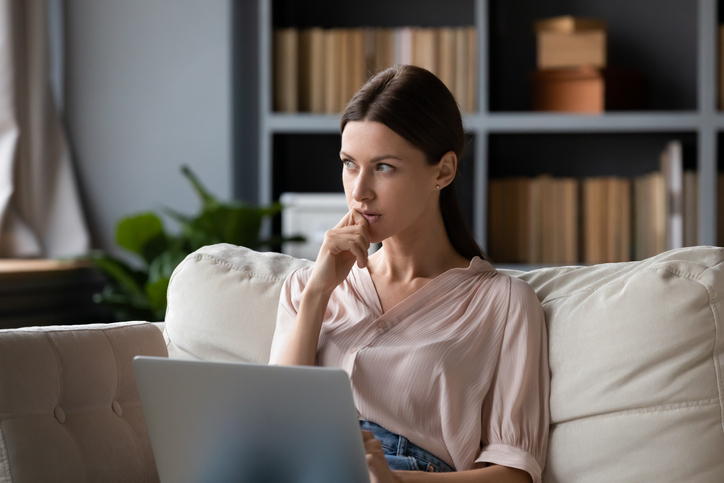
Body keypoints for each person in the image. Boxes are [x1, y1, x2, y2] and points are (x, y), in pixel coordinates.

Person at [269, 64, 549, 483]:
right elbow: (275, 427)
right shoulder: (308, 287)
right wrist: (317, 294)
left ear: (443, 171)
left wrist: (394, 480)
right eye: (349, 164)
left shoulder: (502, 303)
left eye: (383, 167)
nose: (359, 190)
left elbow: (513, 474)